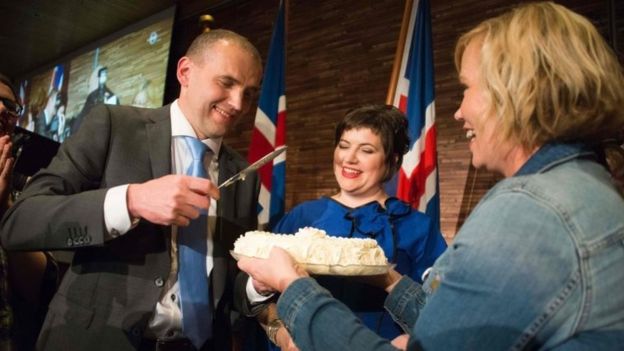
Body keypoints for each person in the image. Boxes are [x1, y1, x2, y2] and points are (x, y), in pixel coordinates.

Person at [239, 2, 624, 350]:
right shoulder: (589, 190)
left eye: (467, 88)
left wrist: (294, 286)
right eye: (344, 145)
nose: (458, 112)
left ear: (517, 94)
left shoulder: (526, 213)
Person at [1, 29, 263, 351]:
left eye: (249, 94)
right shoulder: (113, 126)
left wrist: (257, 287)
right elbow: (21, 222)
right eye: (226, 83)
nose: (238, 104)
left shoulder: (244, 176)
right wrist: (131, 201)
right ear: (185, 72)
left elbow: (229, 279)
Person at [246, 105, 446, 350]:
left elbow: (442, 312)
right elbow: (262, 298)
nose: (349, 158)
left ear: (392, 160)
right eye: (343, 145)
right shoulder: (302, 216)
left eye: (366, 150)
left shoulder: (418, 227)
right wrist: (282, 337)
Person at [0, 73, 58, 351]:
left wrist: (3, 210)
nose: (1, 110)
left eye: (9, 107)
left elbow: (40, 287)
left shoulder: (27, 192)